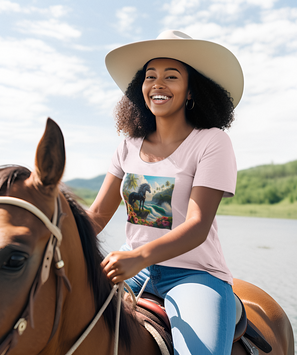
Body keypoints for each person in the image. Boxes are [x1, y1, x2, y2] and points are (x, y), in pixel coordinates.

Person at [88, 30, 243, 355]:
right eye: (150, 76)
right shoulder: (127, 146)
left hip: (193, 274)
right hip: (133, 266)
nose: (158, 83)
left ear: (191, 91)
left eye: (171, 76)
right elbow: (98, 215)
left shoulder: (211, 142)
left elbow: (198, 225)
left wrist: (139, 257)